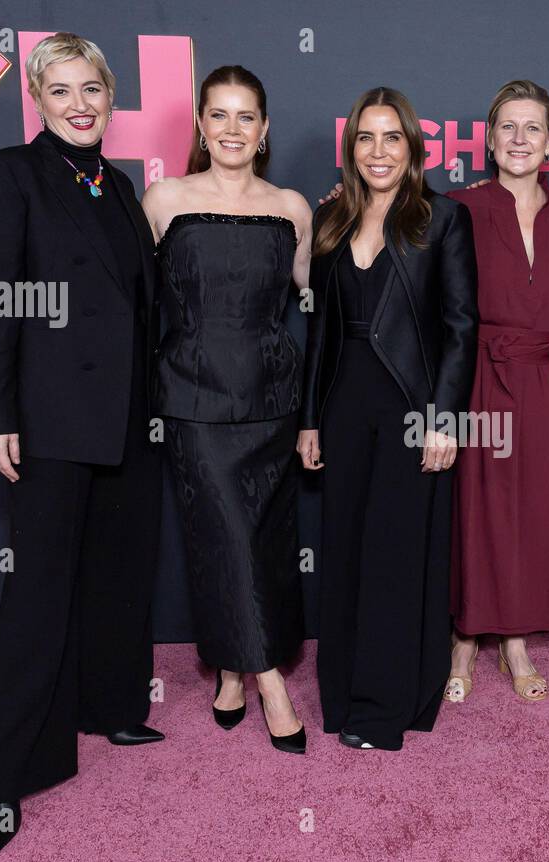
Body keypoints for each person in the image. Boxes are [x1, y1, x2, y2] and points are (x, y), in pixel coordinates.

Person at [0, 32, 162, 852]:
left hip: (128, 417)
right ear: (38, 102)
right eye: (62, 93)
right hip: (49, 418)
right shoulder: (12, 174)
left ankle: (112, 708)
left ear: (110, 99)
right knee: (39, 593)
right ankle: (7, 777)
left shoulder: (119, 185)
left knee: (118, 574)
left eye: (93, 91)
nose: (81, 105)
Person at [297, 87, 478, 751]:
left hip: (412, 411)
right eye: (366, 138)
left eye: (391, 137)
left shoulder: (442, 220)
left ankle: (384, 709)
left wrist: (443, 421)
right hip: (345, 409)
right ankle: (343, 699)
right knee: (346, 552)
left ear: (413, 148)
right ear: (352, 150)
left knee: (397, 559)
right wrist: (309, 418)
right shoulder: (333, 221)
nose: (379, 151)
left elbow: (461, 328)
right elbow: (319, 332)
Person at [141, 66, 311, 753]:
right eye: (220, 115)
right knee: (225, 539)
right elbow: (127, 301)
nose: (233, 129)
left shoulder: (294, 207)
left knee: (262, 542)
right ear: (202, 126)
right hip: (192, 398)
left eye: (247, 116)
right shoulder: (162, 199)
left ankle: (233, 676)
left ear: (264, 129)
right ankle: (270, 680)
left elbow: (325, 298)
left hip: (272, 401)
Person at [444, 80, 549, 704]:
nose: (520, 139)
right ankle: (463, 637)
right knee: (475, 510)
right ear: (489, 137)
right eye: (507, 126)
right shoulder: (456, 207)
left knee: (533, 511)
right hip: (474, 377)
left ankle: (514, 641)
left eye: (533, 128)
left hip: (537, 380)